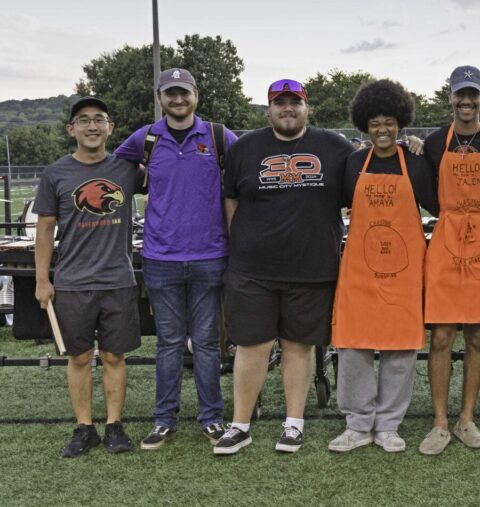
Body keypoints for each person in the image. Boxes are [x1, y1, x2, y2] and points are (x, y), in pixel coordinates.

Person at [214, 79, 355, 455]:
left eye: (295, 102)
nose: (288, 109)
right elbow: (230, 199)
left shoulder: (335, 147)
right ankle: (240, 424)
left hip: (312, 267)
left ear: (307, 108)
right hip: (252, 269)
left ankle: (294, 424)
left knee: (299, 346)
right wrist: (241, 243)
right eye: (280, 103)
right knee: (251, 345)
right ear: (269, 109)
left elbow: (364, 184)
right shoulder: (245, 148)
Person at [115, 68, 237, 449]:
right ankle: (164, 420)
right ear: (160, 97)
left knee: (205, 343)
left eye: (184, 93)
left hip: (211, 255)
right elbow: (112, 167)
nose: (178, 100)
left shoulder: (219, 136)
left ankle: (212, 418)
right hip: (160, 257)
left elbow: (250, 171)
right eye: (171, 93)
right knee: (168, 343)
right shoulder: (145, 138)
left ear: (196, 96)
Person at [329, 79, 439, 454]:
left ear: (401, 123)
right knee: (353, 347)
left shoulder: (416, 161)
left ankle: (389, 424)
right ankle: (357, 425)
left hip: (404, 273)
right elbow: (340, 203)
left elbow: (438, 205)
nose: (382, 129)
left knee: (400, 349)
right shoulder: (355, 162)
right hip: (359, 270)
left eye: (389, 122)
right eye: (375, 123)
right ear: (365, 125)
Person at [35, 97, 145, 457]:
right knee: (79, 358)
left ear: (110, 127)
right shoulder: (55, 174)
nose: (93, 126)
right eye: (84, 120)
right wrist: (42, 279)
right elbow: (45, 228)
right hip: (72, 283)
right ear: (72, 129)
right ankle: (84, 428)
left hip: (118, 280)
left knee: (114, 357)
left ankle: (114, 426)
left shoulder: (128, 170)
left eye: (100, 119)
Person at [417, 65, 480, 455]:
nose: (467, 101)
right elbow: (426, 194)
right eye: (461, 94)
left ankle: (466, 418)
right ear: (451, 97)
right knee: (440, 336)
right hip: (446, 239)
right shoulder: (435, 142)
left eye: (473, 94)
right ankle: (440, 422)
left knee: (477, 336)